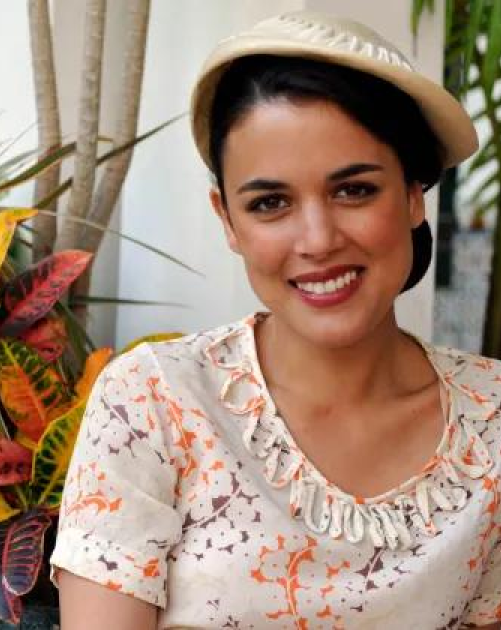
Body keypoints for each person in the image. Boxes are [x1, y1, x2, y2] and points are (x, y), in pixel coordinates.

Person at [51, 11, 501, 629]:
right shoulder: (154, 402)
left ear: (413, 194)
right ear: (228, 220)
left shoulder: (491, 422)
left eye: (354, 190)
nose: (317, 240)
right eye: (270, 203)